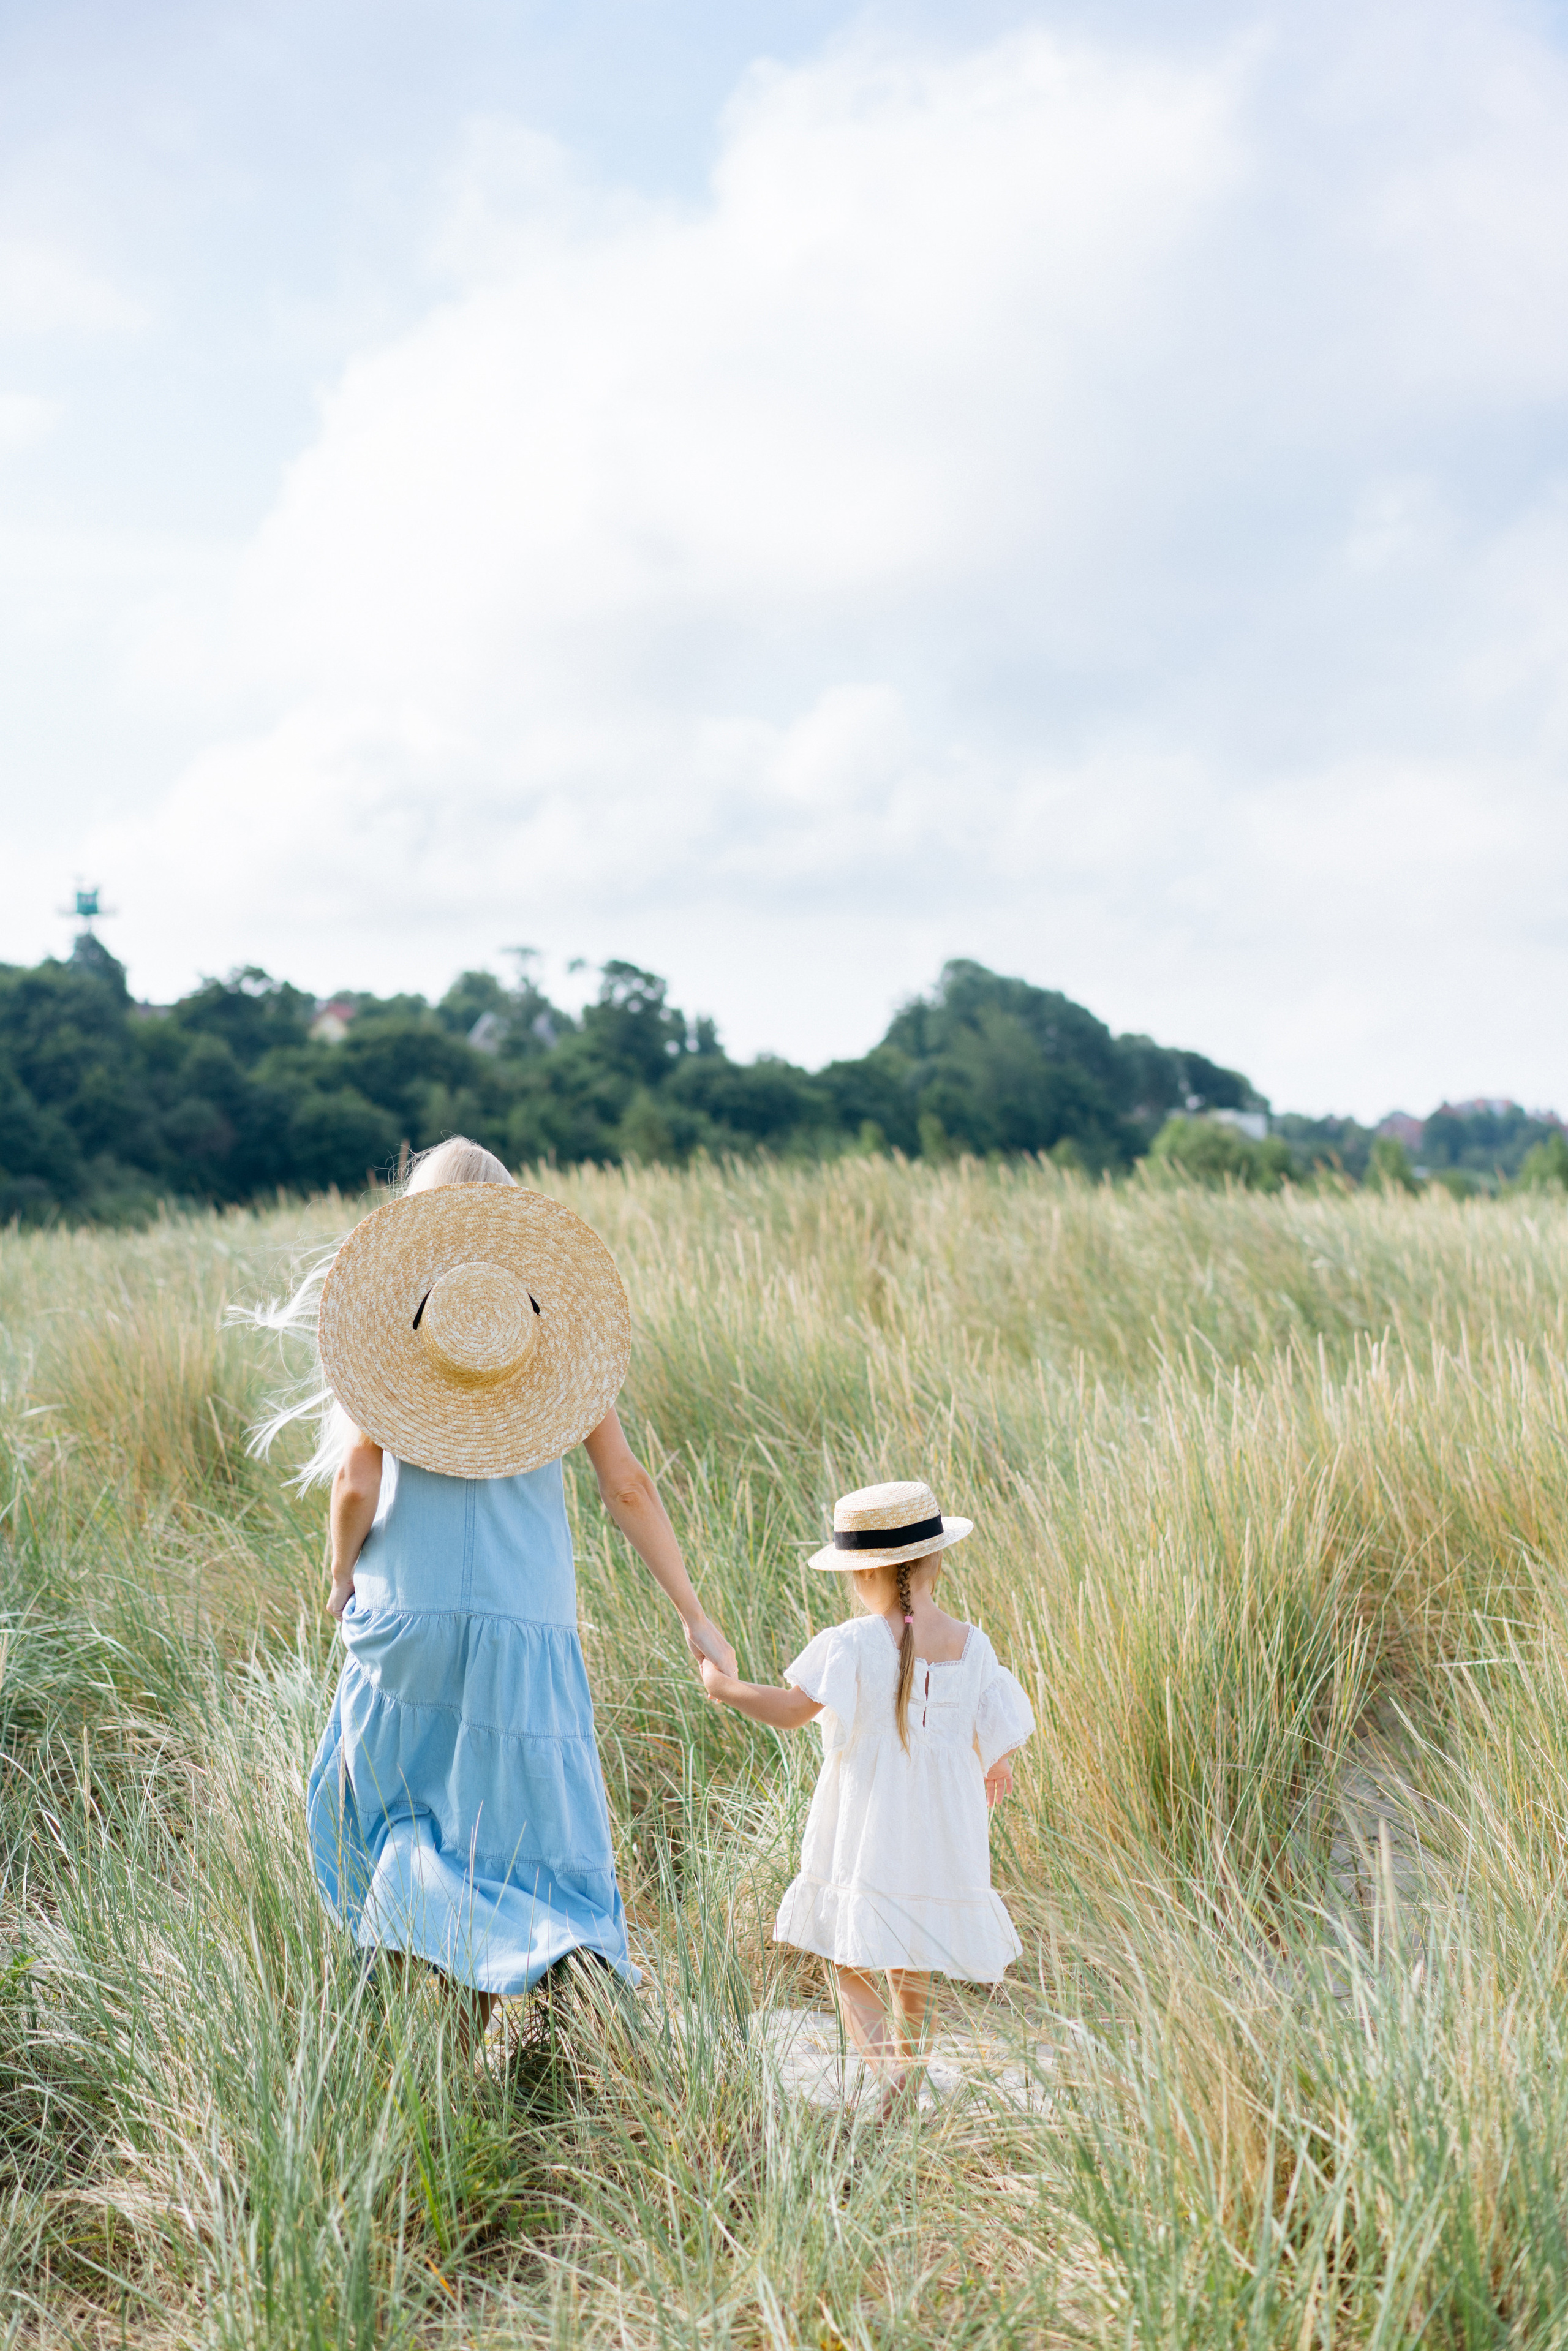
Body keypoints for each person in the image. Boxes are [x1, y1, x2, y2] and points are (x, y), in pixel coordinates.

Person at [251, 1136, 735, 2049]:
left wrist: (340, 1569)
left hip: (407, 1604)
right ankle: (554, 1978)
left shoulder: (394, 1322)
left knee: (407, 1810)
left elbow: (357, 1474)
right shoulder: (557, 1333)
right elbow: (626, 1484)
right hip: (526, 1613)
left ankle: (427, 2036)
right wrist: (692, 1610)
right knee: (519, 1823)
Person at [698, 1479, 1033, 2109]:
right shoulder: (974, 1644)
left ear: (862, 1575)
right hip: (941, 1834)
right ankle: (906, 2079)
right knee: (914, 1968)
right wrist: (998, 1767)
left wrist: (724, 1686)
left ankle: (888, 2077)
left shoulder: (851, 1643)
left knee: (848, 1956)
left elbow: (793, 1710)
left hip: (867, 1825)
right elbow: (998, 1724)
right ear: (934, 1561)